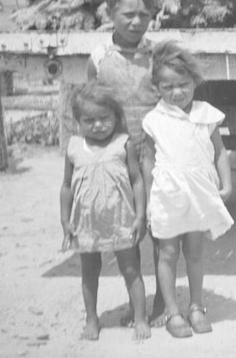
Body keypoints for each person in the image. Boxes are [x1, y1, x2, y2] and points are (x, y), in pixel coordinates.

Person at [86, 0, 167, 327]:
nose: (137, 22)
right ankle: (138, 305)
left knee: (163, 228)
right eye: (127, 15)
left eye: (144, 15)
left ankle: (164, 301)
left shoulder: (158, 55)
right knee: (127, 233)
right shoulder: (99, 58)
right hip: (119, 161)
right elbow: (92, 110)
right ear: (110, 14)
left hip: (157, 156)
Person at [142, 40, 234, 338]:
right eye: (168, 87)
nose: (176, 92)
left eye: (182, 84)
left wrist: (227, 183)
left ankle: (196, 306)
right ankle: (172, 312)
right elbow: (147, 162)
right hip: (167, 196)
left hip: (197, 194)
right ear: (157, 87)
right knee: (167, 253)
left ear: (194, 81)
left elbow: (219, 151)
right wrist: (146, 200)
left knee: (195, 251)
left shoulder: (206, 114)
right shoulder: (154, 120)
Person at [60, 81, 151, 341]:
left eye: (104, 118)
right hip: (86, 224)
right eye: (89, 120)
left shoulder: (124, 144)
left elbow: (136, 181)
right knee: (89, 271)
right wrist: (65, 220)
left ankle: (140, 317)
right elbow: (66, 187)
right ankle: (92, 319)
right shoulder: (74, 147)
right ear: (78, 121)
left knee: (131, 269)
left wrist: (140, 216)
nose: (98, 125)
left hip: (121, 220)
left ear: (115, 117)